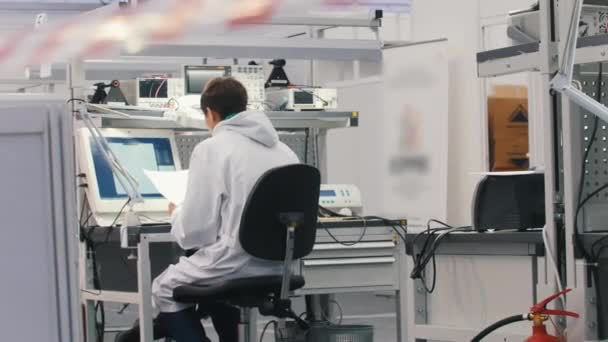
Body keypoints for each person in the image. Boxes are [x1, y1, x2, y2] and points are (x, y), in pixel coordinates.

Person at [116, 77, 299, 342]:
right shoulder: (284, 151)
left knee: (163, 288)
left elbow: (194, 233)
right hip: (280, 266)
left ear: (210, 114)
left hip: (236, 263)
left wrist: (176, 213)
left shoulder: (212, 149)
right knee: (212, 287)